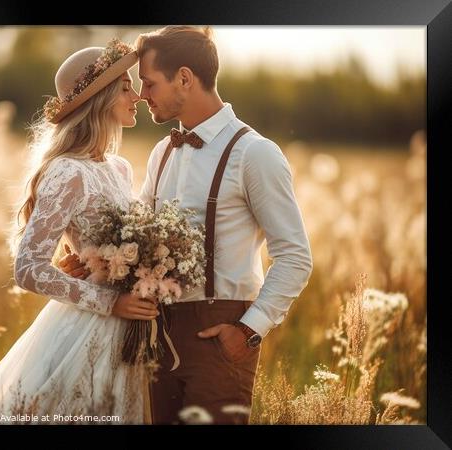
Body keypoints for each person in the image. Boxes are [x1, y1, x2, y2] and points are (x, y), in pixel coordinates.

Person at [64, 26, 313, 425]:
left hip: (222, 334)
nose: (141, 95)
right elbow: (138, 238)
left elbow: (295, 256)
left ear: (184, 77)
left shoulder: (255, 153)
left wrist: (249, 330)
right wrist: (94, 261)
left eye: (149, 83)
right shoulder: (162, 152)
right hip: (155, 335)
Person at [0, 38, 158, 425]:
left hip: (132, 331)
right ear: (102, 96)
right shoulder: (67, 171)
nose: (138, 96)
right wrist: (111, 303)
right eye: (126, 87)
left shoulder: (120, 169)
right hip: (89, 328)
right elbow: (28, 268)